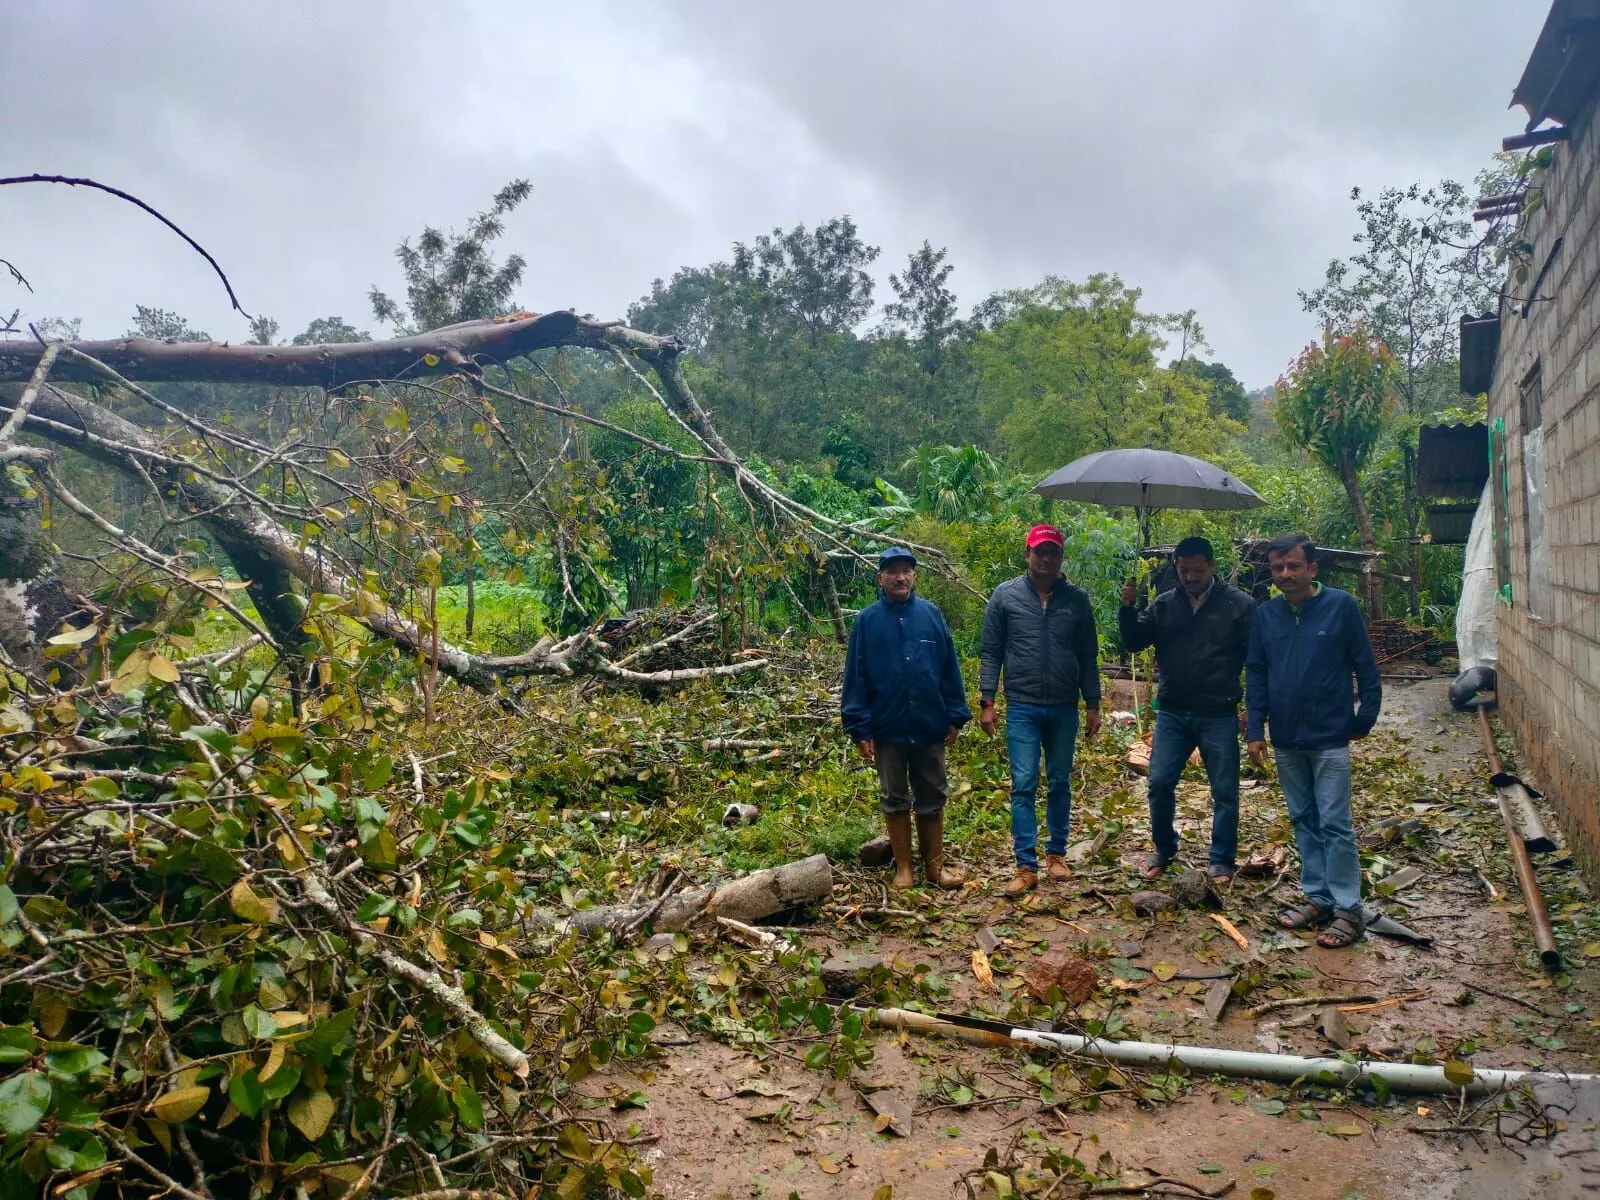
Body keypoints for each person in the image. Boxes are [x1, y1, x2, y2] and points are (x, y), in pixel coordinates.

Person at [1245, 533, 1381, 949]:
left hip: (1329, 737)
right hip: (1286, 739)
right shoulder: (1266, 615)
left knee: (1335, 822)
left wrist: (1364, 718)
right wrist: (1255, 729)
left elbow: (1366, 668)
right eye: (1277, 568)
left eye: (1293, 566)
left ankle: (1348, 910)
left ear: (1312, 569)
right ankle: (1318, 899)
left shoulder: (1340, 607)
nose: (1285, 574)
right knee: (1304, 818)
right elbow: (1257, 673)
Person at [1118, 536, 1255, 884]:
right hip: (1173, 712)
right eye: (1184, 570)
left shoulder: (1239, 605)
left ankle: (1222, 858)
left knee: (1224, 789)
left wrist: (1253, 708)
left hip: (1218, 711)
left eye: (1198, 570)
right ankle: (1164, 848)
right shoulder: (1165, 604)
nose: (1191, 577)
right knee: (1160, 782)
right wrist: (1127, 608)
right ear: (1176, 568)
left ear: (1211, 567)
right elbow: (1134, 641)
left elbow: (1257, 660)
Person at [979, 524, 1102, 897]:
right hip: (1022, 706)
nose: (1046, 558)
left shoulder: (1077, 601)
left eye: (1053, 552)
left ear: (1061, 557)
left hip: (1064, 707)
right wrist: (987, 701)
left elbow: (1087, 656)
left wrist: (1093, 703)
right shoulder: (1005, 596)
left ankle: (1057, 855)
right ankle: (1026, 865)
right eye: (1040, 551)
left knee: (1060, 782)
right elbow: (991, 652)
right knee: (1024, 784)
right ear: (1027, 554)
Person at [841, 546, 972, 890]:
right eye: (892, 571)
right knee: (895, 796)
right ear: (880, 577)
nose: (900, 577)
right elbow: (856, 677)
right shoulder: (867, 621)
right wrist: (860, 728)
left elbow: (949, 669)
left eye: (906, 570)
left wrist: (955, 715)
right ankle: (903, 868)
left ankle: (934, 867)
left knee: (933, 795)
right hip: (888, 727)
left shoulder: (931, 614)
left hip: (929, 724)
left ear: (914, 576)